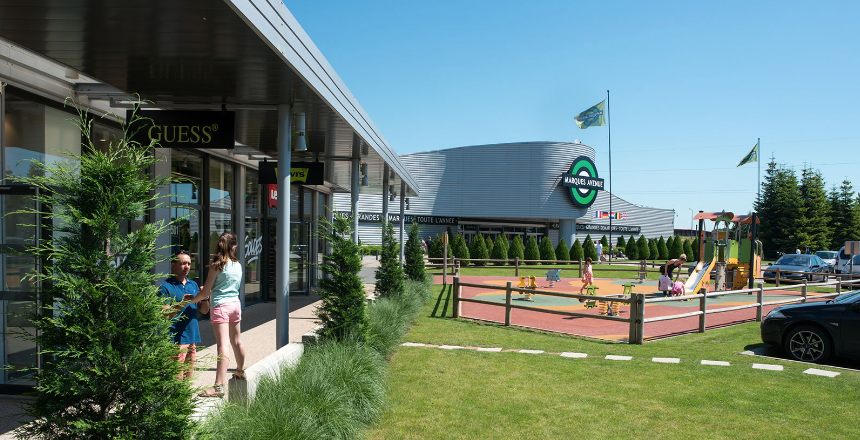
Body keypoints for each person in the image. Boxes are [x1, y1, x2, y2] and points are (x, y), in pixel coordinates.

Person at [191, 232, 246, 398]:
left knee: (223, 345)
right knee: (237, 341)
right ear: (234, 247)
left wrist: (191, 301)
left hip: (220, 306)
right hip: (235, 305)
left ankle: (218, 386)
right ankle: (240, 371)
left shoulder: (216, 266)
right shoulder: (238, 265)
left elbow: (205, 293)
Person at [159, 250, 209, 379]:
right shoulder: (165, 287)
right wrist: (181, 304)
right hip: (175, 340)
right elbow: (165, 314)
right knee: (176, 379)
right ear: (173, 265)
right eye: (183, 263)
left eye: (189, 264)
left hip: (192, 337)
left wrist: (205, 298)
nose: (186, 267)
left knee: (188, 379)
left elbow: (204, 311)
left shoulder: (193, 284)